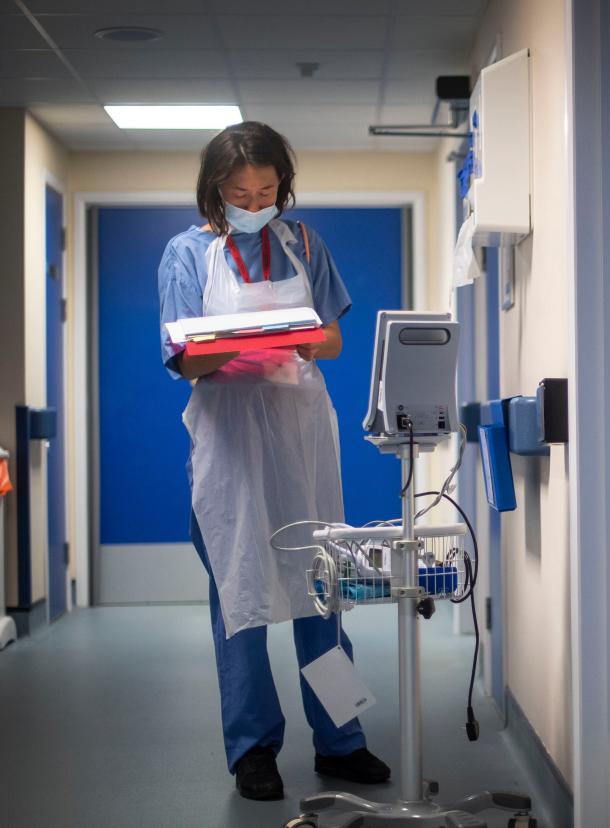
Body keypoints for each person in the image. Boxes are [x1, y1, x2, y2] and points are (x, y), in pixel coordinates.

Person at [157, 121, 389, 801]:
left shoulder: (304, 242)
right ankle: (253, 750)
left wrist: (300, 338)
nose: (254, 202)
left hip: (300, 436)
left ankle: (343, 739)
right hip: (229, 444)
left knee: (325, 590)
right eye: (238, 191)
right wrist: (232, 345)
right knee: (242, 598)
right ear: (213, 190)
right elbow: (179, 357)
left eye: (266, 189)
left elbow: (337, 337)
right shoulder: (185, 254)